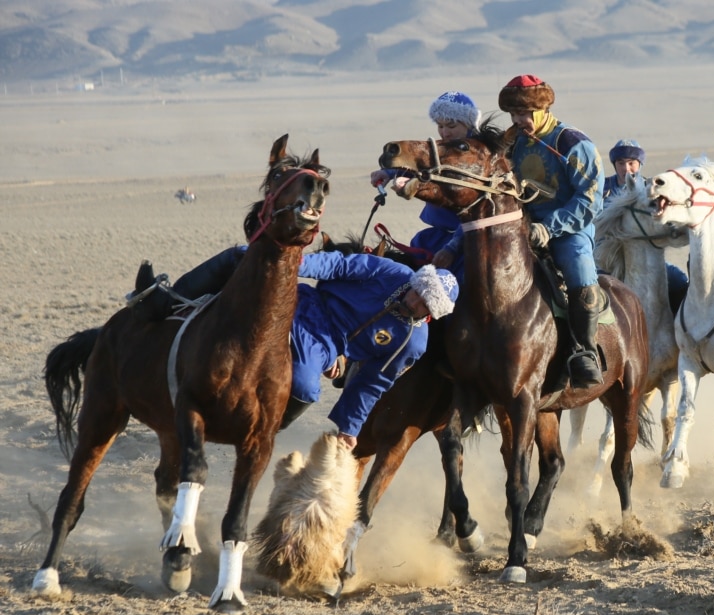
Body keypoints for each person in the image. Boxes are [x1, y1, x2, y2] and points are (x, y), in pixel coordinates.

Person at [131, 248, 458, 448]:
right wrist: (295, 264)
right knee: (242, 256)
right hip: (304, 302)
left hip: (325, 344)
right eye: (418, 290)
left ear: (432, 312)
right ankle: (164, 301)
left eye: (424, 301)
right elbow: (340, 266)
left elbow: (373, 382)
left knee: (305, 387)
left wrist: (350, 428)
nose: (414, 298)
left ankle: (260, 433)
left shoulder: (412, 341)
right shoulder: (396, 274)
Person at [498, 74, 606, 388]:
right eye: (514, 115)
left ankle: (584, 351)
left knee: (578, 268)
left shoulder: (571, 142)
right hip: (523, 226)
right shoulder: (513, 143)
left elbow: (590, 198)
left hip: (569, 228)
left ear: (543, 110)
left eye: (525, 114)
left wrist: (551, 226)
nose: (519, 120)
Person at [371, 91, 481, 281]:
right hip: (435, 237)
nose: (445, 132)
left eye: (451, 126)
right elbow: (419, 165)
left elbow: (477, 211)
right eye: (440, 126)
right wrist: (388, 173)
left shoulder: (478, 157)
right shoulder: (443, 148)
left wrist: (451, 249)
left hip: (467, 238)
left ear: (469, 124)